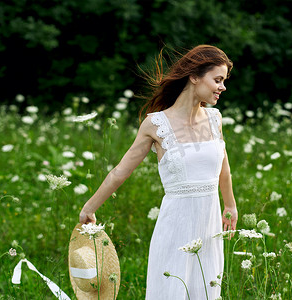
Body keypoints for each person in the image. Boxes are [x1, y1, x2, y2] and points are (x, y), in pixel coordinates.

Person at [79, 45, 238, 299]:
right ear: (194, 76)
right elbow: (120, 172)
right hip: (175, 228)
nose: (222, 87)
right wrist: (89, 208)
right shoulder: (155, 124)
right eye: (217, 80)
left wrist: (230, 205)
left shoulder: (214, 119)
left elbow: (224, 167)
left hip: (209, 230)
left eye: (223, 81)